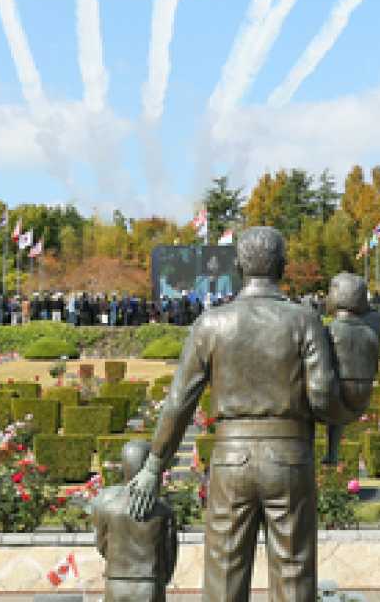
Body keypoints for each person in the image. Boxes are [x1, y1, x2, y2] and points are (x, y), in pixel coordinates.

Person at [129, 226, 346, 602]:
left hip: (231, 460)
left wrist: (153, 466)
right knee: (293, 570)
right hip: (289, 458)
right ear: (283, 265)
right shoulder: (303, 321)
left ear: (239, 266)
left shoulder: (211, 323)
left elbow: (179, 402)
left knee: (225, 571)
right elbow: (324, 397)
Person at [92, 439, 178, 602]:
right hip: (150, 584)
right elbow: (169, 552)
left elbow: (102, 544)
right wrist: (164, 577)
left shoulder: (107, 508)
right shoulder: (164, 511)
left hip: (116, 583)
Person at [321, 272, 380, 466]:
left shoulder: (329, 332)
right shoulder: (369, 333)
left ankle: (328, 452)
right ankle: (332, 452)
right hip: (362, 393)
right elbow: (374, 366)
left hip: (335, 394)